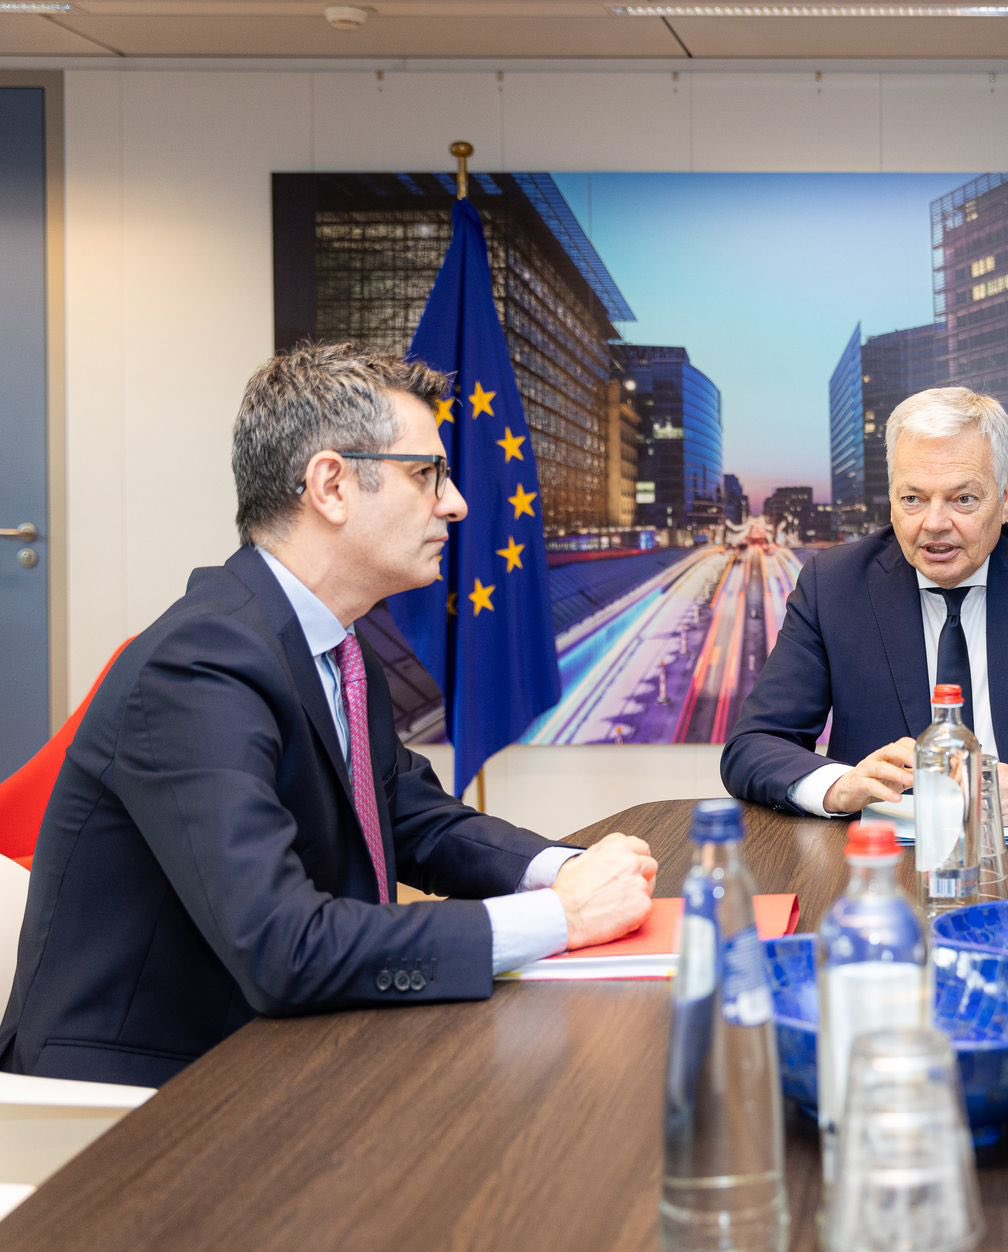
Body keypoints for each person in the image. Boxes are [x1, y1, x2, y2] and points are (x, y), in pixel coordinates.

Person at [0, 343, 657, 1087]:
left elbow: (417, 821)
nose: (457, 503)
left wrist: (572, 872)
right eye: (426, 475)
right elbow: (281, 946)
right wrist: (561, 918)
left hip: (282, 1056)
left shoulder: (331, 645)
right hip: (143, 1108)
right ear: (332, 486)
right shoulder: (197, 664)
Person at [720, 386, 1008, 821]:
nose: (934, 524)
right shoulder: (833, 584)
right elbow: (754, 744)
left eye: (963, 499)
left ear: (1004, 499)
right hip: (882, 858)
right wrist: (839, 785)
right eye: (913, 499)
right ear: (891, 500)